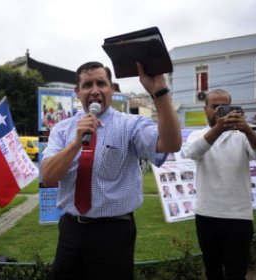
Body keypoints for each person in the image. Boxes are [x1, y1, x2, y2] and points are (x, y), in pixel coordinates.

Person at [41, 61, 181, 280]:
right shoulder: (63, 129)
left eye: (101, 83)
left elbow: (171, 144)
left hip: (113, 232)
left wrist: (160, 92)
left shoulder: (130, 125)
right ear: (77, 92)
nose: (95, 90)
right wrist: (76, 143)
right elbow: (48, 176)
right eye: (87, 85)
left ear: (112, 89)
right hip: (71, 229)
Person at [182, 88, 256, 280]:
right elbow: (192, 152)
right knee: (213, 271)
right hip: (207, 214)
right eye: (215, 106)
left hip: (239, 216)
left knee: (236, 272)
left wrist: (247, 128)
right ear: (205, 109)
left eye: (225, 107)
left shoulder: (243, 134)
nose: (219, 111)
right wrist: (219, 127)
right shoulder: (197, 135)